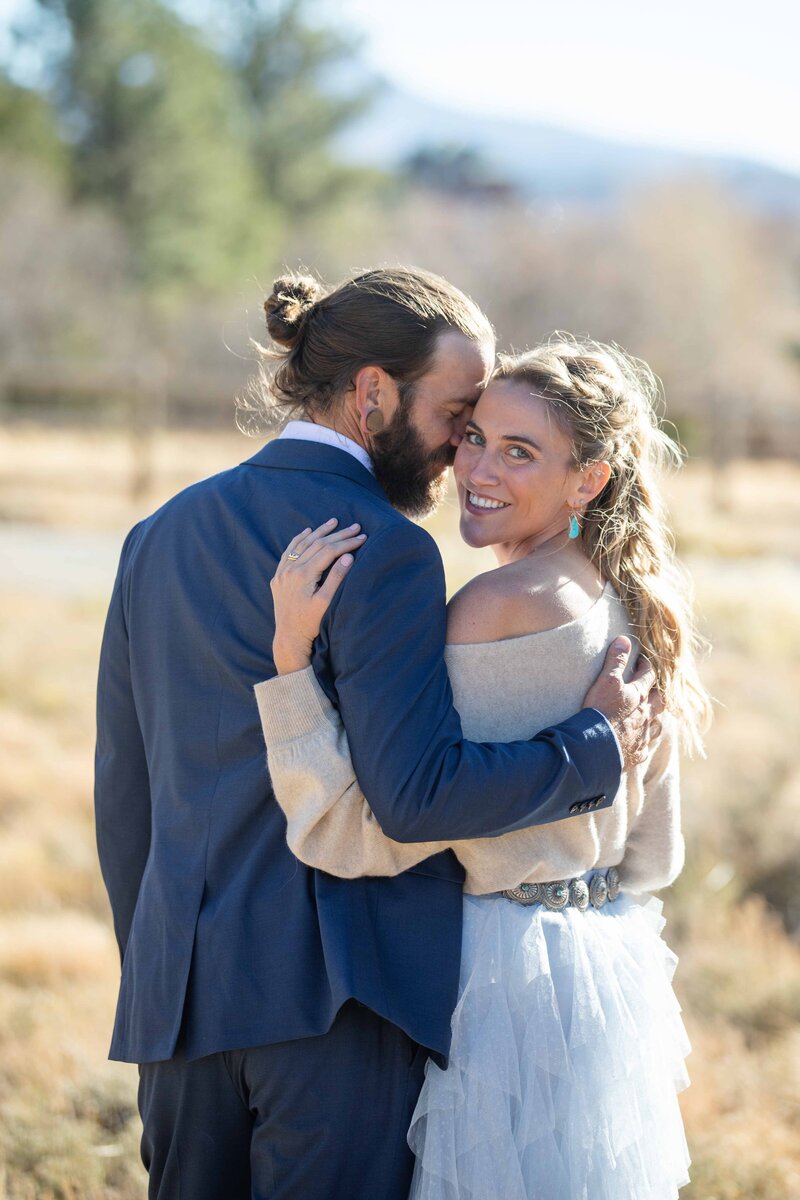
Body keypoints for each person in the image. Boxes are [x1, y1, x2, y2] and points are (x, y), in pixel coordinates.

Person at [94, 269, 658, 1200]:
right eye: (455, 416)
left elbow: (127, 790)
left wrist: (159, 967)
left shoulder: (158, 532)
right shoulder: (383, 548)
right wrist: (594, 745)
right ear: (372, 395)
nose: (457, 456)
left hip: (180, 1002)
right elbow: (416, 796)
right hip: (337, 1002)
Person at [255, 335, 711, 1199]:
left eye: (520, 451)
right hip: (609, 967)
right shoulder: (627, 596)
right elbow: (656, 858)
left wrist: (288, 666)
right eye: (474, 437)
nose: (477, 468)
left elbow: (372, 832)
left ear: (589, 481)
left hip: (501, 979)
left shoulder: (493, 607)